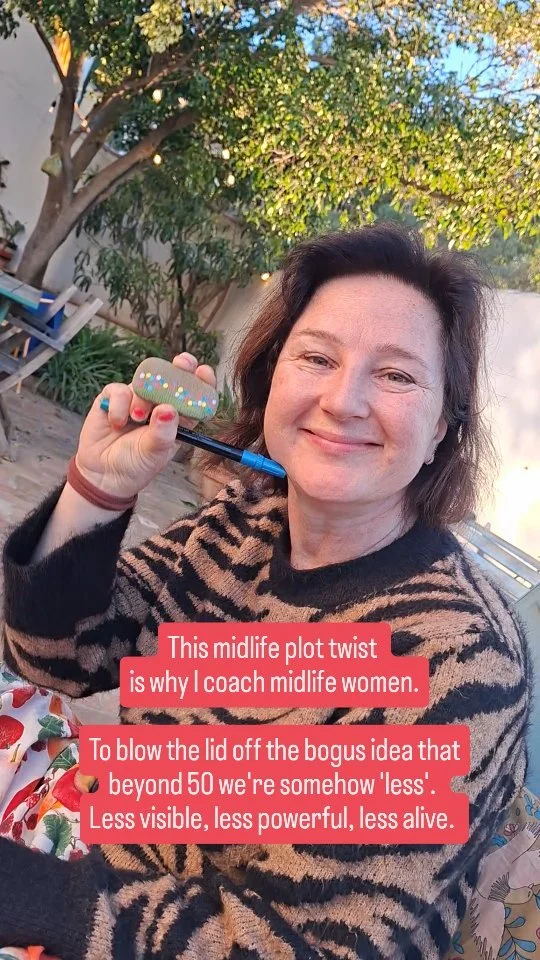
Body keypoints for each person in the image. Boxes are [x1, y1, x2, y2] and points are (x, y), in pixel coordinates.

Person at [0, 222, 535, 960]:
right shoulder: (247, 523)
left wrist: (31, 896)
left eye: (397, 376)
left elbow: (302, 947)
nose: (343, 401)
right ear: (272, 375)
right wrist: (98, 490)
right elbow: (57, 659)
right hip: (116, 850)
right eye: (317, 357)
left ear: (444, 424)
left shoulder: (453, 657)